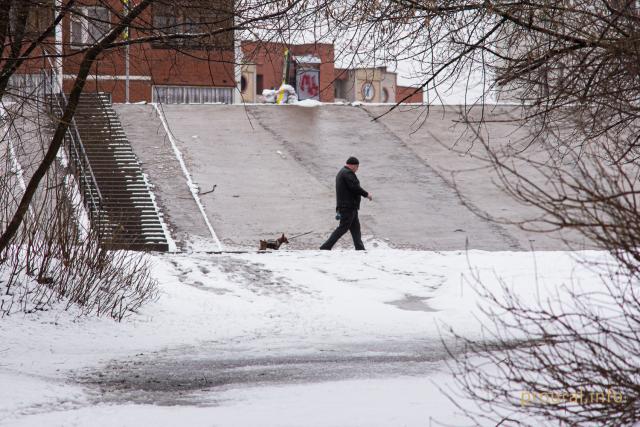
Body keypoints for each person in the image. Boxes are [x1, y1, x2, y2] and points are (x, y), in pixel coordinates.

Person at [320, 156, 372, 250]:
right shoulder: (348, 173)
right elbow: (355, 187)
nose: (357, 169)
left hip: (350, 206)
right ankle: (325, 247)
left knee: (356, 229)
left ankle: (360, 249)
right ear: (353, 166)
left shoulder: (342, 172)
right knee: (342, 228)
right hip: (348, 206)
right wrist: (366, 194)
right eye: (357, 167)